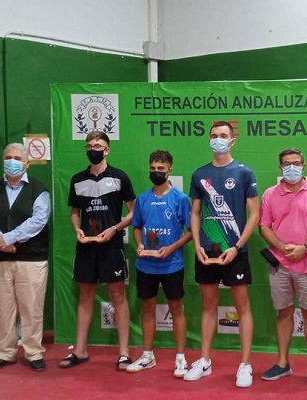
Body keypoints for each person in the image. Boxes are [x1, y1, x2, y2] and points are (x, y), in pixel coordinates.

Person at [184, 121, 259, 388]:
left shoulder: (244, 172)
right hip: (207, 251)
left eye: (223, 136)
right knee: (208, 305)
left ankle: (245, 364)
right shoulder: (199, 174)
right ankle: (204, 360)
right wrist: (197, 246)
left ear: (232, 140)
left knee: (242, 307)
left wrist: (237, 246)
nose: (218, 139)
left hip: (235, 251)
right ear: (209, 140)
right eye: (214, 136)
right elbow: (194, 212)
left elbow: (255, 214)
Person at [59, 131, 135, 371]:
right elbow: (74, 213)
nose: (94, 149)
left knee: (118, 296)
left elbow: (133, 213)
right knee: (85, 296)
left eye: (99, 145)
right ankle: (80, 351)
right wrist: (77, 230)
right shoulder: (77, 179)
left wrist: (114, 228)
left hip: (111, 245)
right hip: (86, 247)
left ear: (107, 150)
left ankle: (123, 353)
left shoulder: (120, 177)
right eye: (90, 145)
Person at [258, 148, 307, 387]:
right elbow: (264, 226)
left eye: (296, 163)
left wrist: (305, 247)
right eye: (287, 163)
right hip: (279, 265)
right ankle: (283, 363)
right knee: (284, 313)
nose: (292, 167)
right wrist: (281, 247)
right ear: (280, 167)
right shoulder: (270, 194)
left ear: (303, 165)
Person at [0, 143, 51, 372]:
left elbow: (38, 221)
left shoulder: (39, 191)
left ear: (27, 163)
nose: (12, 161)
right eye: (8, 157)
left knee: (31, 310)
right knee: (3, 310)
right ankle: (6, 352)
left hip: (31, 261)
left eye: (17, 157)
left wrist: (7, 239)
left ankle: (34, 352)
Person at [127, 150, 192, 377]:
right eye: (153, 169)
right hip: (146, 265)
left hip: (172, 263)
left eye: (161, 170)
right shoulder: (143, 199)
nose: (156, 173)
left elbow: (191, 232)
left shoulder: (180, 199)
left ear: (170, 171)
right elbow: (136, 227)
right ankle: (147, 355)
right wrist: (139, 245)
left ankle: (181, 358)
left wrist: (172, 247)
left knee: (176, 309)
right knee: (148, 308)